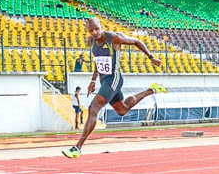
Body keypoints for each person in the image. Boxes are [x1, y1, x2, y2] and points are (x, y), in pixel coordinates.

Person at [61, 17, 167, 159]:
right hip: (104, 80)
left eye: (97, 29)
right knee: (122, 109)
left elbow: (136, 41)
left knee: (94, 107)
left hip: (114, 78)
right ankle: (152, 90)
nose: (94, 32)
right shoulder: (91, 42)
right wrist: (93, 80)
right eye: (91, 30)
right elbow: (98, 62)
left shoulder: (114, 38)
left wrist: (151, 57)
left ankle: (77, 147)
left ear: (101, 26)